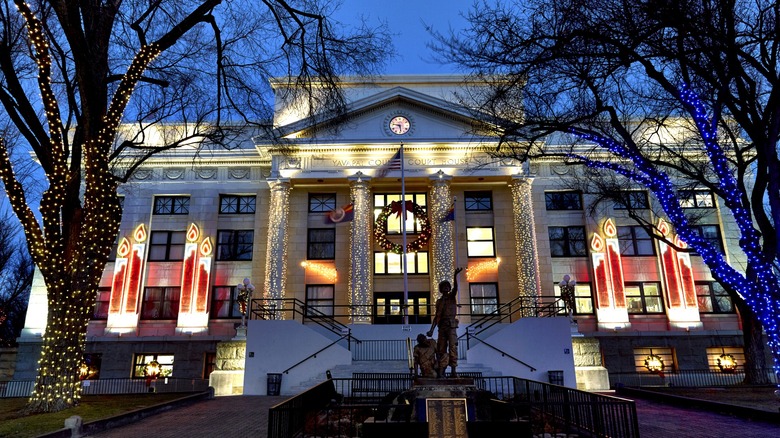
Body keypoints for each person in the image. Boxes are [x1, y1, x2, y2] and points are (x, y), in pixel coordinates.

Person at [427, 267, 463, 377]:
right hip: (442, 327)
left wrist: (455, 276)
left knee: (453, 347)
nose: (446, 288)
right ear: (441, 289)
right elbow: (437, 316)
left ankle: (453, 371)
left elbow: (456, 288)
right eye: (444, 287)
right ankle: (441, 370)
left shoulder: (452, 297)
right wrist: (431, 330)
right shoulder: (439, 302)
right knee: (441, 349)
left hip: (451, 326)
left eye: (448, 286)